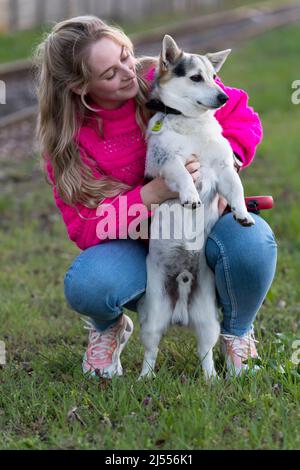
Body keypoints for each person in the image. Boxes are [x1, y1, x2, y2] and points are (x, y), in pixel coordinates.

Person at [34, 15, 277, 379]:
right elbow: (86, 228)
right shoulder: (70, 144)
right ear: (81, 88)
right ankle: (109, 328)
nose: (128, 72)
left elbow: (241, 117)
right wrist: (152, 193)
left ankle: (237, 333)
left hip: (204, 221)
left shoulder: (166, 78)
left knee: (251, 242)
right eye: (110, 74)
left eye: (125, 55)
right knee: (89, 283)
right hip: (139, 243)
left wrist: (229, 166)